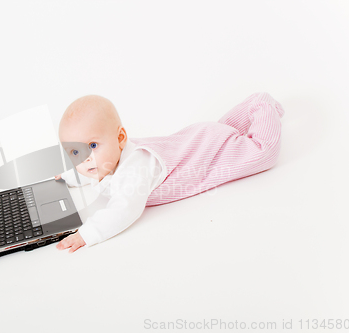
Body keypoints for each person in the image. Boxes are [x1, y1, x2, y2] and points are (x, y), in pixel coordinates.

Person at [55, 92, 285, 253]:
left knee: (261, 152)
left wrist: (88, 234)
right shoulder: (101, 161)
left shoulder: (134, 169)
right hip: (196, 139)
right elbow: (90, 170)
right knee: (227, 130)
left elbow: (125, 209)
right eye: (75, 151)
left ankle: (261, 105)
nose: (85, 158)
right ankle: (245, 114)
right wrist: (67, 178)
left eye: (93, 146)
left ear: (120, 139)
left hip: (208, 155)